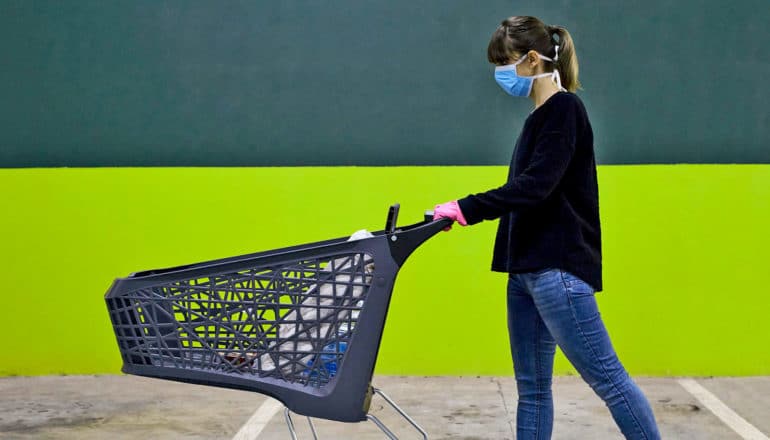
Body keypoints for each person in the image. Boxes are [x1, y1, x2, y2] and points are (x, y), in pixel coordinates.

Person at [432, 16, 661, 440]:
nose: (500, 73)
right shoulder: (537, 118)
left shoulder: (564, 110)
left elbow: (534, 187)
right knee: (533, 391)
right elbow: (527, 191)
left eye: (506, 62)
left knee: (609, 381)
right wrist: (459, 213)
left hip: (557, 272)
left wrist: (465, 208)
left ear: (533, 60)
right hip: (525, 274)